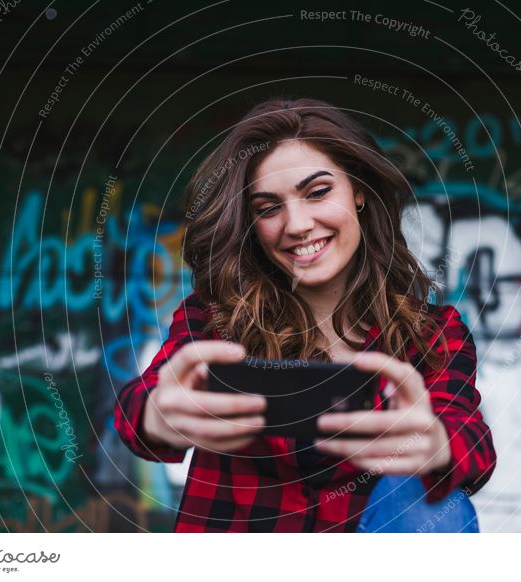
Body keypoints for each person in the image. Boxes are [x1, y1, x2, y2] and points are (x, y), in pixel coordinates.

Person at [114, 97, 496, 532]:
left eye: (317, 192)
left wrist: (436, 444)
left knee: (430, 499)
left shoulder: (432, 334)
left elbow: (469, 437)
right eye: (268, 208)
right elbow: (137, 409)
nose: (296, 225)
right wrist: (158, 414)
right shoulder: (213, 323)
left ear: (359, 193)